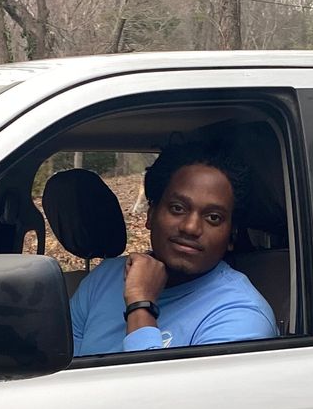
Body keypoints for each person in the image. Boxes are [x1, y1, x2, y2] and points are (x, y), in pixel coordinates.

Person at [68, 143, 278, 356]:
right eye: (177, 208)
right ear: (151, 215)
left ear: (231, 235)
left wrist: (141, 304)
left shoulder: (242, 316)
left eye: (213, 218)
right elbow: (59, 371)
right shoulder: (104, 278)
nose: (191, 227)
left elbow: (156, 390)